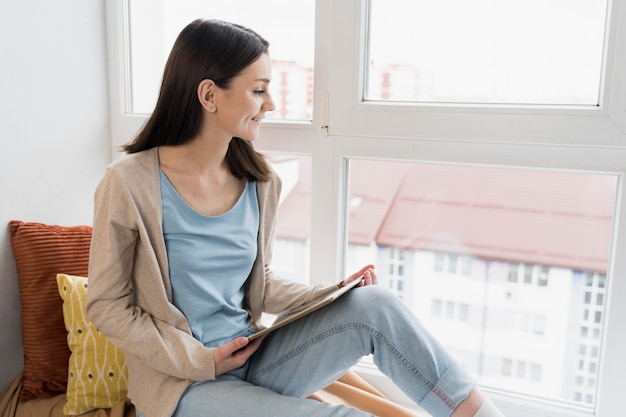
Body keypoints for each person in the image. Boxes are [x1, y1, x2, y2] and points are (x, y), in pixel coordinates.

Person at [86, 18, 505, 417]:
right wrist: (200, 360)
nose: (271, 104)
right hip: (183, 387)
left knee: (375, 303)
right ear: (210, 95)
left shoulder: (259, 180)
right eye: (258, 90)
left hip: (253, 356)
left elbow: (260, 282)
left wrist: (333, 294)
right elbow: (108, 306)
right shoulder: (128, 184)